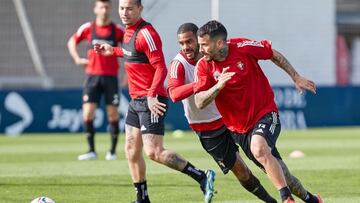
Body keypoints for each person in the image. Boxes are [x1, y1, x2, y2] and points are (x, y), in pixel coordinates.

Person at [94, 1, 215, 202]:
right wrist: (112, 50)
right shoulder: (128, 32)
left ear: (140, 9)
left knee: (154, 152)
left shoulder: (146, 33)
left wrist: (151, 95)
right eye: (122, 8)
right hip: (136, 99)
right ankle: (142, 199)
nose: (124, 12)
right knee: (131, 151)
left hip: (152, 98)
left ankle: (202, 177)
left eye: (130, 8)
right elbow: (131, 53)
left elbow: (161, 68)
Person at [193, 20, 323, 203]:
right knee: (282, 173)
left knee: (259, 148)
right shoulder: (203, 66)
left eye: (204, 45)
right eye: (200, 45)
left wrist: (296, 76)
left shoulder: (243, 47)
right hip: (239, 130)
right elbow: (199, 101)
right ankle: (311, 199)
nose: (201, 49)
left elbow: (272, 54)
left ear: (220, 43)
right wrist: (218, 86)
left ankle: (286, 199)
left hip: (265, 113)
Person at [168, 22, 277, 203]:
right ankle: (270, 201)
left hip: (231, 118)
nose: (186, 47)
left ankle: (298, 194)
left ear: (200, 39)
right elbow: (173, 93)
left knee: (265, 158)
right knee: (241, 172)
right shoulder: (178, 64)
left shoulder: (215, 55)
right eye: (181, 43)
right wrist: (202, 84)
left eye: (189, 42)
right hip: (206, 126)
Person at [67, 0, 124, 161]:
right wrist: (77, 59)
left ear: (110, 9)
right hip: (92, 77)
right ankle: (91, 150)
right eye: (101, 7)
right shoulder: (88, 28)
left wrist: (127, 73)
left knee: (112, 114)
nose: (104, 10)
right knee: (88, 112)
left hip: (111, 77)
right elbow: (72, 41)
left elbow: (129, 50)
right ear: (95, 9)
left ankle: (112, 152)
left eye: (107, 7)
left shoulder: (117, 30)